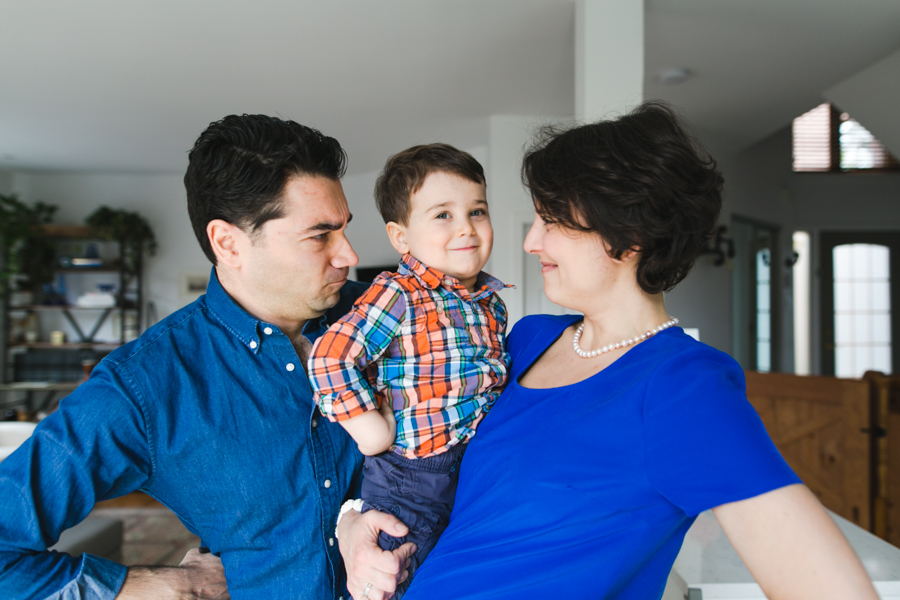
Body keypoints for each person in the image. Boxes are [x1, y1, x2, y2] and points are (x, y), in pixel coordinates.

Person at [340, 102, 879, 600]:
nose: (530, 242)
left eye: (551, 221)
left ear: (627, 234)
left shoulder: (683, 388)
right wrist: (352, 524)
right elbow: (430, 467)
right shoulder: (524, 340)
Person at [0, 114, 413, 599]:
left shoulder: (401, 319)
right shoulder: (146, 385)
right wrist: (163, 585)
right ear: (228, 243)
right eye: (319, 235)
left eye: (343, 228)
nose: (348, 254)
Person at [310, 144, 510, 598]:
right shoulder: (399, 293)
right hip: (411, 478)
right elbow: (330, 356)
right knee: (397, 580)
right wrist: (369, 431)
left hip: (473, 465)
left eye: (477, 211)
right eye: (442, 215)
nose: (467, 228)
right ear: (401, 238)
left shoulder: (490, 303)